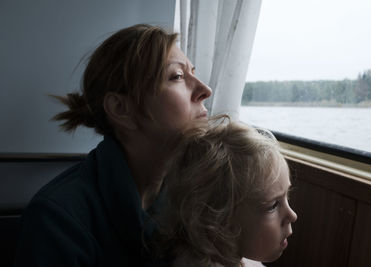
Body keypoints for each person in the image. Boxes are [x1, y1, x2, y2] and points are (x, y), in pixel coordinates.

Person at [14, 24, 212, 267]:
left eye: (193, 72)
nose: (206, 90)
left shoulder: (197, 194)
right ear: (121, 109)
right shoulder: (56, 219)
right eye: (177, 76)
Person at [155, 118, 297, 267]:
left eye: (287, 196)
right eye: (273, 205)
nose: (292, 215)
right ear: (217, 222)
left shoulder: (238, 255)